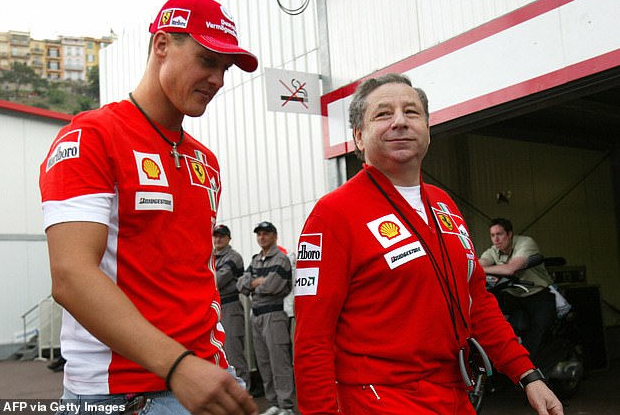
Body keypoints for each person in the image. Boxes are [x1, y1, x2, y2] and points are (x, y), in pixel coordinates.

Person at [39, 0, 259, 415]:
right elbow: (70, 275)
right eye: (206, 60)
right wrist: (178, 366)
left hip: (207, 380)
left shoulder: (204, 161)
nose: (217, 79)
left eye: (224, 68)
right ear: (161, 45)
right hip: (124, 395)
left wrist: (205, 369)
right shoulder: (91, 138)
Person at [293, 73, 563, 415]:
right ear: (359, 137)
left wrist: (527, 374)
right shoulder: (332, 215)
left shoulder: (443, 205)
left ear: (428, 129)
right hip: (379, 401)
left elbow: (477, 302)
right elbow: (312, 340)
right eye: (383, 114)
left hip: (454, 395)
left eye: (412, 112)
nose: (400, 122)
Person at [479, 218, 557, 365]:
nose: (496, 239)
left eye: (499, 234)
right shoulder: (493, 251)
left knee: (539, 330)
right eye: (492, 235)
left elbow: (511, 269)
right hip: (514, 294)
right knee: (488, 313)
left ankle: (528, 368)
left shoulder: (525, 243)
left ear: (509, 234)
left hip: (536, 293)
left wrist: (483, 270)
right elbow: (478, 265)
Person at [237, 222, 296, 415]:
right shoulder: (255, 260)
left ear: (274, 236)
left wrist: (254, 284)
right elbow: (241, 284)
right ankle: (274, 403)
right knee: (263, 361)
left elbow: (272, 287)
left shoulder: (281, 259)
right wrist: (257, 282)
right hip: (257, 315)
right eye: (259, 234)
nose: (262, 237)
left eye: (266, 234)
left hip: (275, 315)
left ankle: (286, 405)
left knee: (279, 361)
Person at [213, 224, 251, 389]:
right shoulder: (212, 257)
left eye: (222, 236)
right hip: (215, 309)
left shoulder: (233, 257)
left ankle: (243, 395)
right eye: (215, 235)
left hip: (230, 306)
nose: (218, 239)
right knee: (219, 355)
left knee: (234, 354)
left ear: (228, 238)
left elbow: (217, 281)